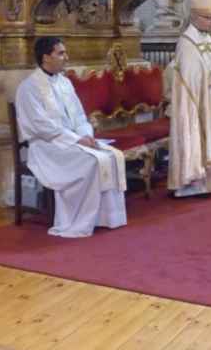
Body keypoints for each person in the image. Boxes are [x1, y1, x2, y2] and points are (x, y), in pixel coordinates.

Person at [15, 37, 127, 237]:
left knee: (111, 156)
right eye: (61, 53)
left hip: (71, 141)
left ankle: (104, 216)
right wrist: (76, 140)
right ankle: (78, 219)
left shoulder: (65, 82)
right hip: (46, 147)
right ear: (46, 57)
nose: (66, 57)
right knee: (91, 161)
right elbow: (40, 125)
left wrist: (86, 136)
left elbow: (78, 116)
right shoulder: (29, 87)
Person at [167, 0, 211, 197]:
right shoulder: (187, 42)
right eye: (209, 17)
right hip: (194, 103)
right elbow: (190, 78)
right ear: (196, 18)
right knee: (198, 140)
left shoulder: (206, 38)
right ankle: (195, 185)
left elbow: (209, 65)